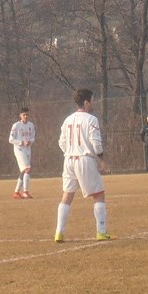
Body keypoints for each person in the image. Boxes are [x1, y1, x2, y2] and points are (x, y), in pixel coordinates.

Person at [53, 89, 110, 243]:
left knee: (67, 195)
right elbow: (96, 142)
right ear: (86, 102)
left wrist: (71, 152)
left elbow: (61, 143)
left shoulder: (67, 120)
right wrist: (102, 159)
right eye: (92, 100)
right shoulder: (91, 119)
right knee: (98, 194)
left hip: (69, 160)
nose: (94, 103)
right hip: (85, 159)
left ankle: (59, 232)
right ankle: (102, 231)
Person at [8, 107, 36, 199]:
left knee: (23, 171)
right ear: (20, 116)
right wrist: (21, 142)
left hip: (28, 149)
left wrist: (30, 141)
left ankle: (16, 192)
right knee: (28, 169)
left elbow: (33, 137)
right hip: (19, 149)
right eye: (24, 115)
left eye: (27, 114)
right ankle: (25, 192)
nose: (26, 116)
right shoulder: (16, 125)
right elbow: (11, 139)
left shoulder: (31, 125)